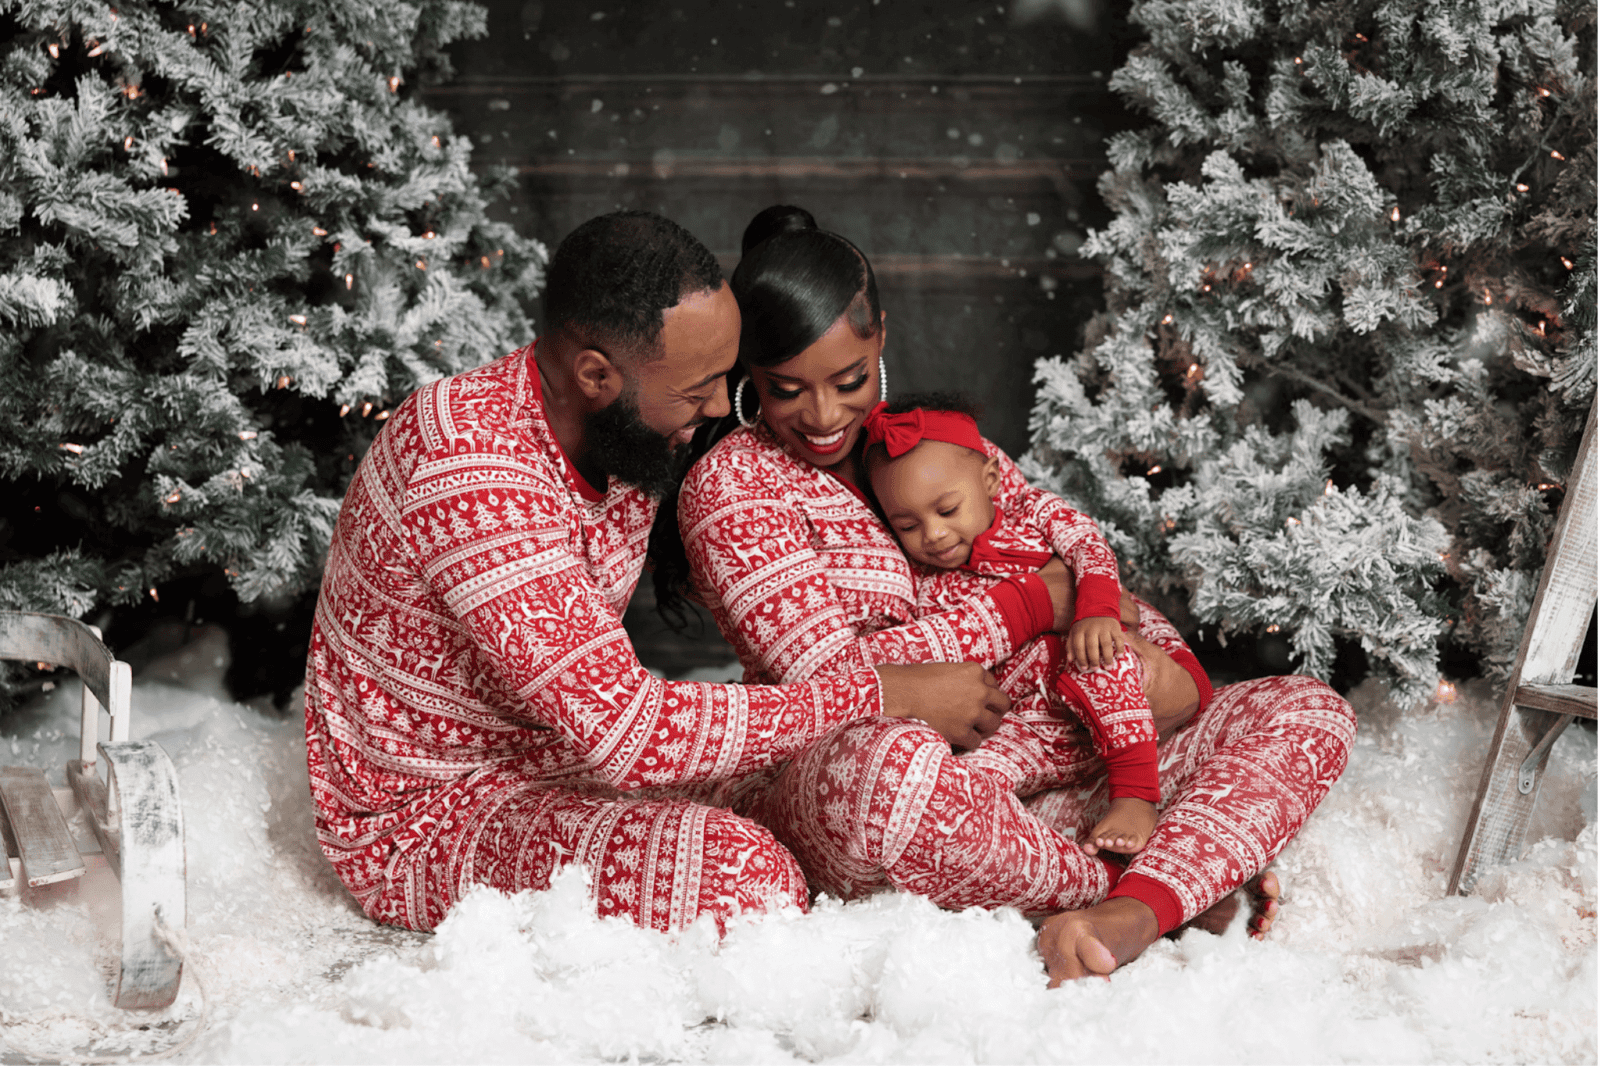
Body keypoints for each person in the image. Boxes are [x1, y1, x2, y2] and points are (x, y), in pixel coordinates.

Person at [662, 204, 1357, 981]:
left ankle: (1126, 902)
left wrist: (1157, 668)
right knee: (888, 774)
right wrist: (1022, 610)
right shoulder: (734, 489)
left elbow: (1064, 558)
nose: (824, 416)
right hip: (887, 779)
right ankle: (1151, 891)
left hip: (1049, 753)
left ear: (880, 337)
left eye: (848, 380)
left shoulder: (936, 440)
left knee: (1308, 711)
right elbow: (824, 682)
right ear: (746, 374)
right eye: (786, 390)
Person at [302, 210, 1012, 936]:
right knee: (748, 877)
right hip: (436, 817)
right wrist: (879, 691)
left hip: (577, 768)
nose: (715, 411)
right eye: (698, 388)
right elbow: (628, 730)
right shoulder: (469, 466)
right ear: (596, 375)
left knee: (850, 783)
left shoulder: (625, 436)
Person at [861, 394, 1168, 857]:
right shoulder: (923, 585)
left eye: (947, 511)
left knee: (1104, 656)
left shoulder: (1033, 514)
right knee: (964, 785)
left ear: (990, 479)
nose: (934, 534)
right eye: (907, 525)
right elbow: (943, 653)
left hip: (1088, 676)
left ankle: (1136, 794)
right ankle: (1037, 858)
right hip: (1024, 720)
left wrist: (1096, 609)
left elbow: (1089, 547)